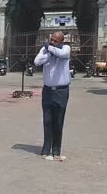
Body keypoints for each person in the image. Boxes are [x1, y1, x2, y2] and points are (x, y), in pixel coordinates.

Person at [34, 31, 71, 161]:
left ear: (61, 41)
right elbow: (37, 61)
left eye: (55, 40)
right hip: (48, 91)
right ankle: (45, 150)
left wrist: (49, 49)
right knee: (47, 121)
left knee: (58, 121)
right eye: (51, 39)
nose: (52, 42)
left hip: (61, 91)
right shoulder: (45, 50)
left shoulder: (66, 48)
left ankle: (56, 151)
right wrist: (48, 54)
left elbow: (62, 54)